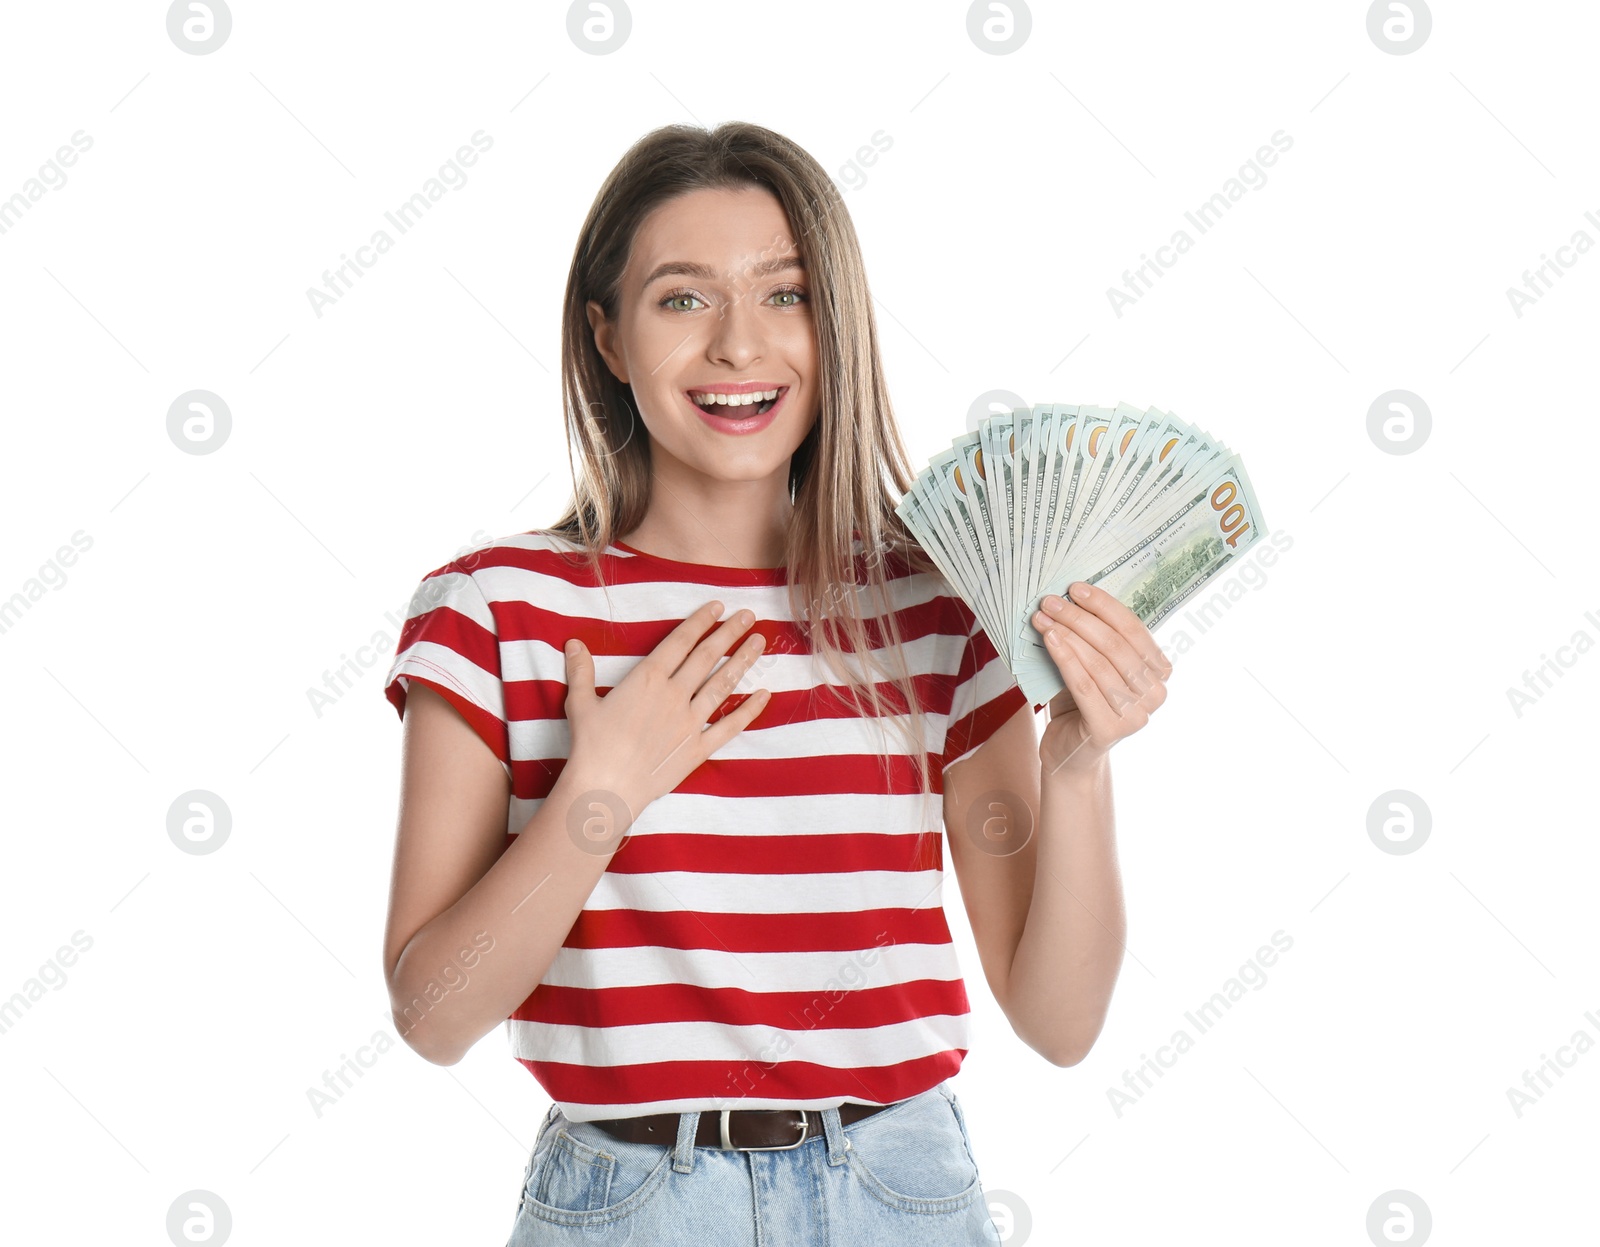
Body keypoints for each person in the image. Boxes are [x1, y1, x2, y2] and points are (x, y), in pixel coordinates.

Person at [381, 121, 1171, 1245]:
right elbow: (432, 1013)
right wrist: (600, 788)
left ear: (834, 326)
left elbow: (1059, 1019)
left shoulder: (938, 608)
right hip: (631, 1205)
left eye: (786, 295)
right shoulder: (497, 607)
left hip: (903, 1192)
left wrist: (1078, 759)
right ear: (607, 337)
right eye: (682, 300)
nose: (739, 347)